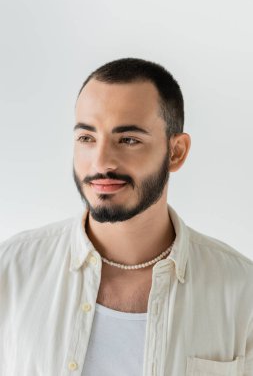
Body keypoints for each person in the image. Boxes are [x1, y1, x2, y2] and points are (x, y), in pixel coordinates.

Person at [0, 57, 252, 376]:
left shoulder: (243, 293)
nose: (101, 161)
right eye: (87, 138)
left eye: (128, 140)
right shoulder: (10, 271)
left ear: (176, 153)